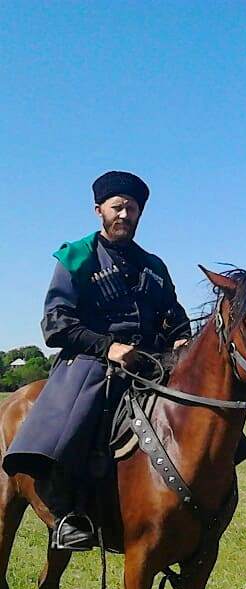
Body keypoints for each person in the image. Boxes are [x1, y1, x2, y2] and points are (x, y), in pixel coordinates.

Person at [3, 171, 191, 550]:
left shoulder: (154, 266)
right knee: (84, 411)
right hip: (91, 359)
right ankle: (69, 510)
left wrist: (182, 337)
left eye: (131, 208)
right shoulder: (78, 255)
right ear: (99, 210)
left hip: (151, 362)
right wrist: (108, 347)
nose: (124, 214)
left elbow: (175, 316)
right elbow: (56, 324)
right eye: (117, 207)